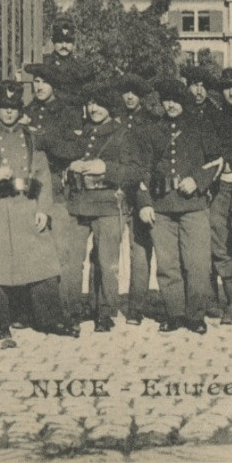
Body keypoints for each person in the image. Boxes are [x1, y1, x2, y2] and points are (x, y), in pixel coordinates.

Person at [0, 84, 73, 342]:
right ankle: (0, 322)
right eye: (4, 108)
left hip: (27, 204)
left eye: (13, 108)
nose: (8, 113)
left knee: (41, 263)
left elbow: (42, 174)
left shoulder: (31, 138)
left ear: (20, 110)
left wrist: (44, 209)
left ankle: (50, 319)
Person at [57, 84, 145, 332]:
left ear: (110, 106)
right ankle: (71, 311)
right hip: (79, 203)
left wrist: (105, 168)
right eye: (90, 103)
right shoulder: (82, 133)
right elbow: (65, 160)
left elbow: (134, 171)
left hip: (108, 204)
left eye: (100, 103)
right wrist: (70, 167)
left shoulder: (123, 134)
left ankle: (104, 312)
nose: (94, 108)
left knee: (107, 262)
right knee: (71, 260)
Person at [142, 77, 217, 334]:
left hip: (193, 205)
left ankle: (196, 315)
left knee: (197, 264)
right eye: (166, 100)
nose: (171, 105)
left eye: (175, 100)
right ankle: (174, 313)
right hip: (162, 206)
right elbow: (144, 170)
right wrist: (145, 203)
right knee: (167, 264)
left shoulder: (199, 126)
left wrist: (198, 180)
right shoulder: (153, 129)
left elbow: (217, 161)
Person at [21, 63, 86, 325]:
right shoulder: (25, 112)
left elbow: (75, 149)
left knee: (61, 251)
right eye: (36, 81)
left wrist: (44, 140)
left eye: (44, 82)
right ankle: (30, 312)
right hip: (30, 188)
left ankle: (65, 311)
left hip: (58, 188)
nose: (39, 87)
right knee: (32, 249)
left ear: (54, 86)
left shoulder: (68, 114)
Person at [203, 67, 232, 324]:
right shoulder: (215, 117)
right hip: (221, 186)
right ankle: (226, 301)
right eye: (226, 88)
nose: (231, 92)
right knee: (219, 241)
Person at [115, 75, 162, 325]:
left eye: (134, 92)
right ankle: (102, 304)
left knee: (140, 249)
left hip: (141, 189)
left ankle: (136, 306)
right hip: (116, 188)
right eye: (126, 92)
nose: (129, 97)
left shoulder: (153, 121)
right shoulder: (115, 119)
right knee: (108, 247)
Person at [42, 17, 95, 91]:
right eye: (59, 41)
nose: (64, 46)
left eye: (68, 41)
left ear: (73, 42)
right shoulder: (45, 62)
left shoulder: (81, 64)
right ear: (53, 41)